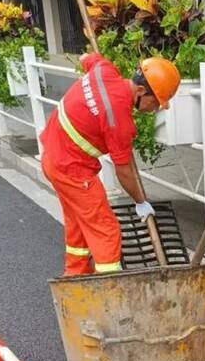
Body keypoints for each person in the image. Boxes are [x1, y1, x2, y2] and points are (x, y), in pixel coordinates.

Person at [40, 52, 180, 276]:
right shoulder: (119, 120)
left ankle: (75, 277)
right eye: (155, 103)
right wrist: (140, 202)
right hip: (72, 170)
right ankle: (109, 288)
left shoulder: (104, 70)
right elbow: (123, 172)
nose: (154, 110)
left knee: (78, 225)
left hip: (53, 157)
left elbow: (87, 57)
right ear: (142, 92)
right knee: (105, 230)